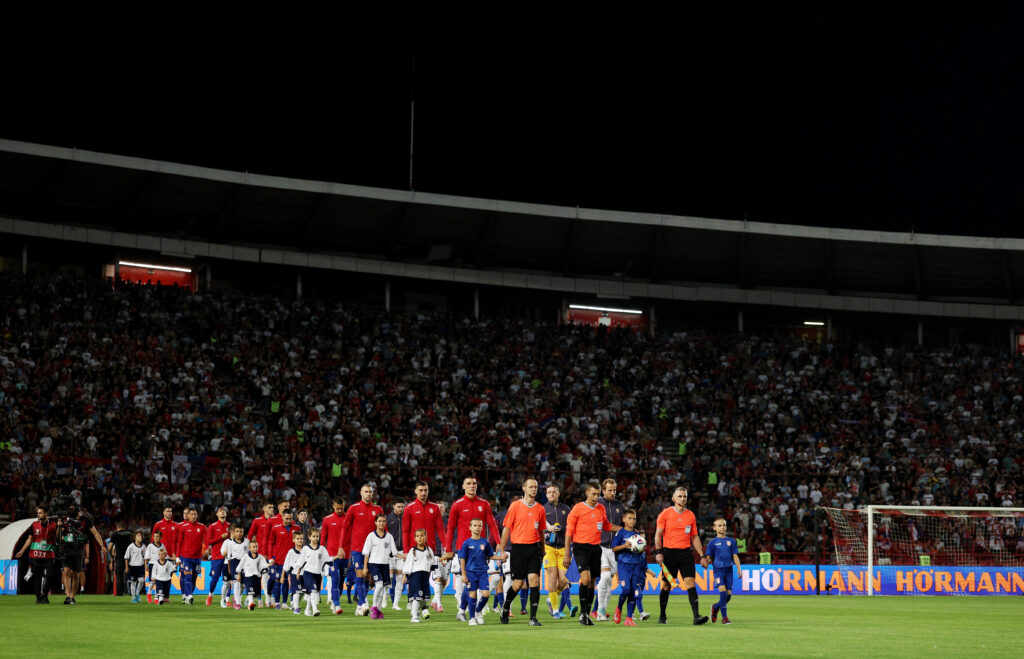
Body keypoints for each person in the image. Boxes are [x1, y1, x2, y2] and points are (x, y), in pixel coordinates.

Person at [495, 477, 553, 627]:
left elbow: (541, 531)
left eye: (535, 487)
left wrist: (543, 548)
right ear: (524, 489)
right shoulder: (515, 506)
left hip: (534, 548)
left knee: (534, 580)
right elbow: (506, 528)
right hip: (518, 549)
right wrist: (501, 549)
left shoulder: (540, 508)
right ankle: (506, 607)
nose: (533, 489)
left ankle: (533, 618)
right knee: (518, 584)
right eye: (531, 487)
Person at [563, 482, 621, 626]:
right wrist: (566, 554)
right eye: (593, 494)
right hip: (580, 548)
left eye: (598, 494)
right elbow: (569, 532)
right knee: (586, 579)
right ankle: (583, 613)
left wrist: (625, 529)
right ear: (587, 493)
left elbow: (607, 526)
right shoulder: (578, 508)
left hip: (596, 548)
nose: (596, 497)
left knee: (592, 583)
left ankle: (587, 614)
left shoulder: (601, 508)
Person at [445, 476, 501, 621]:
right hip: (462, 549)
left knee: (475, 584)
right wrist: (447, 549)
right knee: (466, 583)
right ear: (463, 486)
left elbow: (492, 524)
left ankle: (468, 611)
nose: (471, 486)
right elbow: (450, 528)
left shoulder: (484, 504)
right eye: (468, 484)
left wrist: (499, 543)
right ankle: (464, 610)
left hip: (480, 550)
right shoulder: (457, 505)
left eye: (474, 484)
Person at [653, 486, 709, 625]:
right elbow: (658, 535)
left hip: (685, 553)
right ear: (673, 498)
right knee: (666, 586)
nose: (682, 498)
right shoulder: (665, 514)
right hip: (669, 553)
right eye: (680, 496)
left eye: (684, 496)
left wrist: (702, 556)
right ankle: (662, 615)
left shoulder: (690, 515)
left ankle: (696, 616)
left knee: (690, 583)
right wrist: (659, 552)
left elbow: (695, 537)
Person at [401, 481, 446, 613]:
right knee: (414, 577)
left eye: (425, 490)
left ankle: (417, 602)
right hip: (413, 550)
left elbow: (440, 529)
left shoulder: (435, 508)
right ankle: (413, 600)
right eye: (420, 490)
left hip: (429, 549)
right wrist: (405, 551)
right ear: (415, 491)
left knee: (424, 577)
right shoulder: (409, 508)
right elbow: (405, 530)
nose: (423, 493)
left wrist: (446, 546)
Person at [341, 484, 384, 616]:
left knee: (367, 579)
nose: (368, 494)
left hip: (374, 550)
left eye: (370, 492)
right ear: (361, 492)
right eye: (366, 491)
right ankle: (364, 603)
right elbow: (345, 528)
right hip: (358, 548)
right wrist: (341, 547)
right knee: (360, 575)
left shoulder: (377, 509)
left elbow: (384, 529)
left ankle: (360, 606)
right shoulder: (353, 508)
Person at [56, 504, 105, 605]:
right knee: (66, 571)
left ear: (77, 510)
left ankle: (72, 596)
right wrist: (59, 526)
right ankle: (68, 596)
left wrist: (101, 545)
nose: (70, 510)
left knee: (76, 574)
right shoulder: (66, 521)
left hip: (79, 549)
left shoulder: (86, 521)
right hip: (67, 548)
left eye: (72, 508)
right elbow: (58, 535)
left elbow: (95, 533)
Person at [543, 483, 577, 619]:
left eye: (554, 492)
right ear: (546, 495)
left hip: (563, 547)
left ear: (558, 494)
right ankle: (556, 610)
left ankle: (551, 598)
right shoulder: (542, 509)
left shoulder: (566, 509)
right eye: (549, 492)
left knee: (564, 579)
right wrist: (547, 529)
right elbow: (537, 527)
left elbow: (571, 527)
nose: (551, 494)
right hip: (548, 547)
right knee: (552, 577)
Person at [594, 478, 626, 621]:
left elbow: (624, 525)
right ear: (603, 490)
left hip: (615, 549)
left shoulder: (620, 505)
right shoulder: (598, 504)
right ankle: (600, 609)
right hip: (600, 546)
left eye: (614, 490)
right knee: (605, 577)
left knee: (609, 581)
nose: (613, 492)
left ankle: (602, 610)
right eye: (609, 490)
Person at [458, 518, 498, 626]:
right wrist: (463, 574)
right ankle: (472, 618)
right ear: (470, 527)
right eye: (475, 525)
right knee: (473, 594)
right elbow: (462, 559)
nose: (477, 527)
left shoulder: (485, 542)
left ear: (482, 528)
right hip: (470, 572)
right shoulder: (466, 543)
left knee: (485, 594)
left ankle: (478, 611)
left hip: (483, 572)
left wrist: (500, 557)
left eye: (479, 526)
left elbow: (491, 555)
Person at [703, 517, 742, 625]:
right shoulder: (712, 542)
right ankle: (724, 618)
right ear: (714, 528)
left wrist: (739, 568)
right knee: (723, 592)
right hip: (718, 570)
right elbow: (708, 556)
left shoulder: (731, 541)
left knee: (728, 595)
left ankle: (715, 607)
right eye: (719, 525)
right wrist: (707, 560)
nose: (722, 527)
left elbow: (735, 556)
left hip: (729, 570)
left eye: (724, 525)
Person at [610, 509, 646, 626]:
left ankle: (629, 618)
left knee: (634, 592)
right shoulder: (620, 533)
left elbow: (640, 552)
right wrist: (625, 546)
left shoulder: (637, 535)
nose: (632, 520)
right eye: (630, 518)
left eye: (634, 518)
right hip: (624, 565)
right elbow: (614, 548)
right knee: (626, 590)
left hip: (636, 565)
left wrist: (641, 548)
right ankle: (619, 608)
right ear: (624, 520)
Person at [15, 505, 57, 604]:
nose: (38, 514)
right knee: (37, 578)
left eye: (41, 513)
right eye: (38, 513)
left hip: (49, 555)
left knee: (50, 576)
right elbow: (29, 539)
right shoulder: (34, 525)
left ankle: (45, 596)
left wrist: (59, 526)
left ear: (46, 514)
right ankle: (38, 598)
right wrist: (22, 550)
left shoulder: (54, 525)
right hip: (35, 555)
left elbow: (59, 536)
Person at [362, 513, 399, 619]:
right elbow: (366, 553)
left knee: (383, 587)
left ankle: (378, 611)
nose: (381, 523)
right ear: (375, 523)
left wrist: (405, 556)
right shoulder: (371, 536)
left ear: (385, 523)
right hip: (374, 564)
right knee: (378, 585)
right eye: (379, 521)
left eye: (383, 521)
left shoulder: (389, 536)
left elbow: (395, 553)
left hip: (385, 564)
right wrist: (365, 567)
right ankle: (373, 607)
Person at [266, 509, 301, 608]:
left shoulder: (297, 528)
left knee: (290, 582)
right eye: (287, 518)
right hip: (279, 560)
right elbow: (271, 543)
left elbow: (300, 543)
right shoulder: (275, 528)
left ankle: (285, 603)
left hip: (294, 560)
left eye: (290, 518)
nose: (289, 520)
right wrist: (270, 557)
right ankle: (277, 602)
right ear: (282, 517)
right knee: (278, 581)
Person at [320, 497, 347, 614]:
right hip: (332, 556)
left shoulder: (348, 518)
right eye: (337, 508)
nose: (339, 510)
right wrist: (320, 552)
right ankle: (336, 604)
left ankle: (336, 600)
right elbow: (323, 537)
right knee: (335, 579)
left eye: (341, 508)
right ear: (333, 506)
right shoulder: (327, 519)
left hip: (346, 555)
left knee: (341, 582)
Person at [402, 528, 435, 623]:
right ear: (415, 538)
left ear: (425, 537)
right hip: (415, 576)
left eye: (422, 536)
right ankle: (414, 617)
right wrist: (405, 576)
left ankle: (417, 610)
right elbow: (408, 564)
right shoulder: (413, 551)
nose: (419, 538)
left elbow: (432, 564)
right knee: (418, 596)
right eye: (417, 536)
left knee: (425, 597)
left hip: (425, 576)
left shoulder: (429, 550)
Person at [176, 506, 206, 604]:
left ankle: (187, 595)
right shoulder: (183, 527)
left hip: (197, 558)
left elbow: (206, 541)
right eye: (191, 514)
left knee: (194, 578)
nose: (193, 516)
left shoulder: (202, 527)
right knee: (187, 576)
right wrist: (177, 557)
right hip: (186, 557)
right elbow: (179, 542)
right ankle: (188, 595)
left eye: (195, 514)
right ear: (188, 516)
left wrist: (205, 550)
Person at [248, 501, 277, 602]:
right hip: (260, 553)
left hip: (273, 553)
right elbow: (250, 535)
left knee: (272, 577)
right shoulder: (257, 521)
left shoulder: (276, 521)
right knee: (258, 577)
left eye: (272, 507)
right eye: (269, 507)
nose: (271, 509)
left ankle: (269, 598)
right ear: (264, 509)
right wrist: (251, 549)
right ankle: (258, 598)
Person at [298, 529, 331, 617]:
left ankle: (307, 609)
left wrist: (335, 558)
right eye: (314, 536)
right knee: (313, 590)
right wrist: (298, 573)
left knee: (313, 592)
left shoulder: (322, 549)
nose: (316, 538)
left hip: (318, 574)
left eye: (317, 536)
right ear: (309, 537)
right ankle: (315, 609)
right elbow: (300, 562)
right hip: (308, 573)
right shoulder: (305, 549)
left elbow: (327, 560)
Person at [204, 506, 231, 606]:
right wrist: (220, 537)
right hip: (216, 556)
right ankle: (210, 595)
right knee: (215, 578)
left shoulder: (230, 526)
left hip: (228, 557)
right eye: (221, 511)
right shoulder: (212, 526)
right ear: (217, 514)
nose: (223, 513)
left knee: (229, 579)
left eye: (224, 511)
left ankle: (227, 599)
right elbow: (208, 541)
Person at [219, 524, 248, 610]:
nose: (239, 533)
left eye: (241, 531)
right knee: (234, 582)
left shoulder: (246, 541)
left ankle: (236, 598)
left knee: (243, 586)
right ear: (233, 532)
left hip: (244, 563)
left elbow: (247, 554)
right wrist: (229, 567)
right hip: (233, 563)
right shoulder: (229, 543)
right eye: (237, 531)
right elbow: (228, 556)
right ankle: (235, 602)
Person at [239, 539, 270, 610]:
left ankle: (255, 602)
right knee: (250, 591)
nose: (256, 548)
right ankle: (251, 602)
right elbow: (240, 565)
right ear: (249, 548)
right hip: (248, 576)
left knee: (256, 592)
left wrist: (268, 564)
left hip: (257, 577)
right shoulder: (246, 556)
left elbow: (264, 565)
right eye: (254, 547)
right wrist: (238, 573)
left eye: (256, 547)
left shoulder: (260, 557)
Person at [281, 530, 306, 614]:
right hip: (294, 574)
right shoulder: (291, 552)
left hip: (305, 574)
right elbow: (286, 565)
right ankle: (296, 608)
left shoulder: (306, 551)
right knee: (296, 591)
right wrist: (282, 576)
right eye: (298, 538)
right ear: (293, 540)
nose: (300, 540)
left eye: (301, 538)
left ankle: (293, 603)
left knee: (303, 592)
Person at [386, 500, 405, 611]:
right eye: (398, 506)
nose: (400, 509)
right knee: (390, 577)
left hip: (402, 552)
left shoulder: (405, 518)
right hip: (389, 552)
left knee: (399, 578)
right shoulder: (388, 519)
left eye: (402, 507)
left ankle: (395, 604)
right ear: (393, 506)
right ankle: (385, 595)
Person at [108, 517, 133, 598]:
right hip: (130, 557)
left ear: (117, 527)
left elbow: (109, 547)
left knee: (119, 575)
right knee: (130, 574)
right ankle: (130, 592)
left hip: (119, 557)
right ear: (125, 527)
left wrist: (112, 555)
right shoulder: (130, 533)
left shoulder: (114, 534)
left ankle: (119, 593)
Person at [124, 529, 148, 603]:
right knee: (133, 582)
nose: (140, 537)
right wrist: (127, 567)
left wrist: (146, 565)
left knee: (141, 581)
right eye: (138, 536)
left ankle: (137, 593)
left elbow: (145, 557)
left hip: (140, 566)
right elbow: (126, 557)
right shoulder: (131, 546)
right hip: (132, 566)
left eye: (141, 536)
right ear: (135, 537)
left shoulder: (144, 546)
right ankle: (133, 598)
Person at [143, 530, 167, 604]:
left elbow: (165, 555)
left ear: (160, 537)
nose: (156, 538)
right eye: (154, 536)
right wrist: (146, 565)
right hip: (152, 565)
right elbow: (146, 557)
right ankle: (149, 595)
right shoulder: (150, 546)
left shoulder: (162, 546)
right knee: (152, 582)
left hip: (160, 565)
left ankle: (156, 597)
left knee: (159, 583)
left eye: (157, 536)